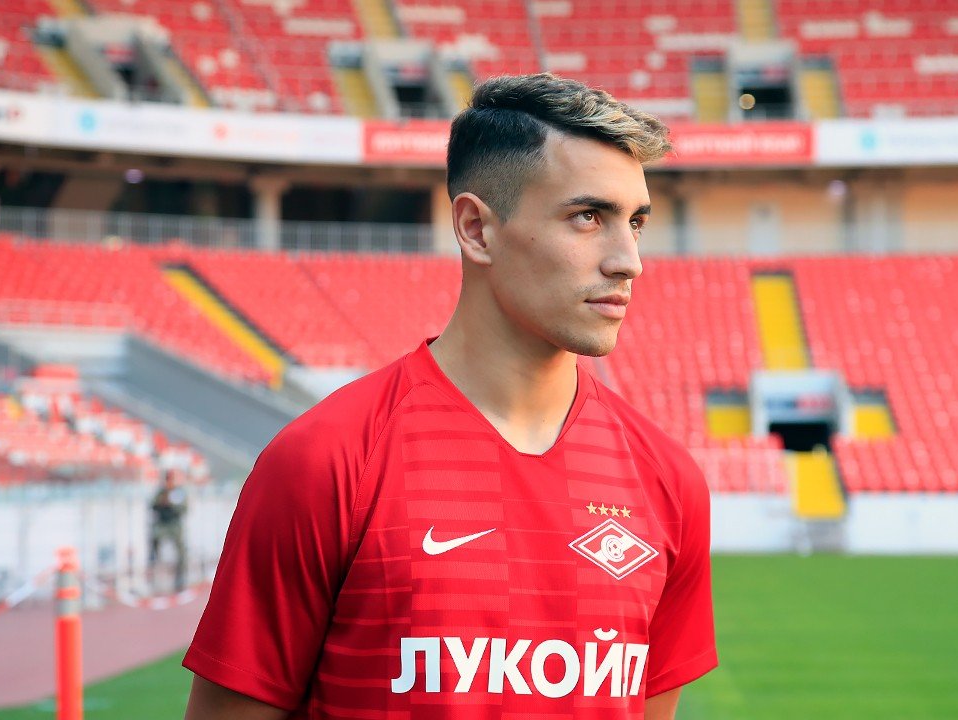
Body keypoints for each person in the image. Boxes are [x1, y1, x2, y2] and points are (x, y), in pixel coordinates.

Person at [183, 73, 716, 720]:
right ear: (475, 229)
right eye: (588, 217)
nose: (628, 260)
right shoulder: (325, 461)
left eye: (635, 223)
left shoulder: (667, 481)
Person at [149, 468, 188, 592]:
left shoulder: (180, 492)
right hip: (162, 524)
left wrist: (172, 505)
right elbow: (153, 505)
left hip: (175, 524)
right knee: (154, 542)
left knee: (181, 552)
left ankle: (180, 580)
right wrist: (162, 501)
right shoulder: (161, 492)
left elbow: (184, 509)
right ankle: (154, 575)